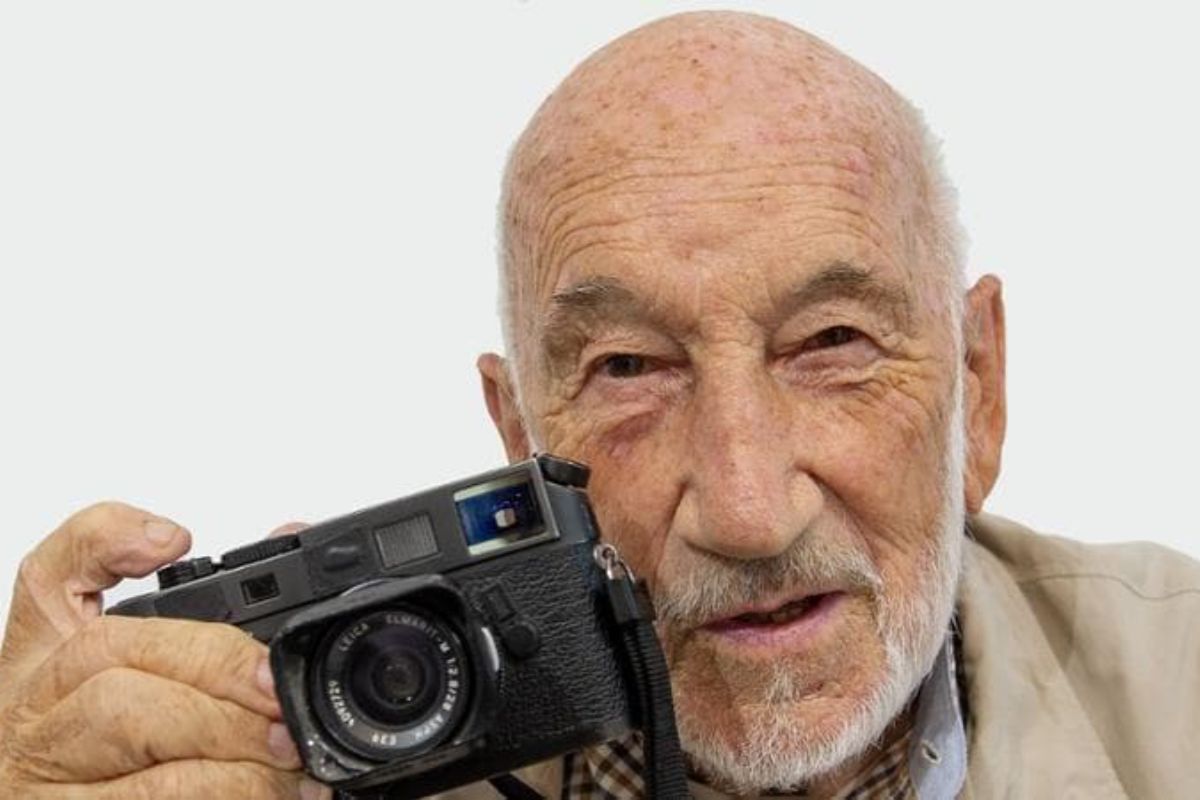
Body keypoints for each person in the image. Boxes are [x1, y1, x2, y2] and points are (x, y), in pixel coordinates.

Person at [0, 10, 1195, 800]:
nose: (746, 507)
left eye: (831, 342)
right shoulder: (291, 760)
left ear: (977, 390)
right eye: (629, 368)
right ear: (520, 442)